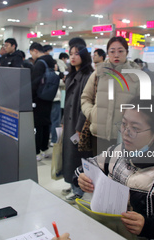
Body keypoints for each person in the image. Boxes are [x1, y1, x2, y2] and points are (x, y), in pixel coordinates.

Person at [75, 96, 154, 239]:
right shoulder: (117, 152)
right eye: (124, 124)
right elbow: (90, 165)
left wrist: (150, 226)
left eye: (135, 128)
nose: (126, 132)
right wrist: (82, 177)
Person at [81, 36, 141, 156]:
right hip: (99, 135)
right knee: (99, 171)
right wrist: (92, 114)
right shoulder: (98, 73)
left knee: (122, 172)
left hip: (125, 137)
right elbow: (85, 98)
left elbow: (146, 105)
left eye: (120, 51)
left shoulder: (137, 76)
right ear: (108, 53)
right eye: (112, 51)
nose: (116, 55)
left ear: (127, 52)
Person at [62, 44, 93, 203]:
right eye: (71, 54)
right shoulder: (72, 74)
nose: (73, 57)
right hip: (69, 121)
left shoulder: (88, 75)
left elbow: (86, 103)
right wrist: (62, 121)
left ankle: (79, 190)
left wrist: (79, 127)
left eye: (76, 54)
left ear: (83, 55)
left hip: (78, 122)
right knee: (69, 155)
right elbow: (66, 101)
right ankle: (72, 183)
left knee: (77, 156)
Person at [29, 42, 56, 161]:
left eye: (31, 53)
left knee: (38, 125)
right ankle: (44, 149)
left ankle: (37, 151)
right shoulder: (51, 62)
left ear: (35, 51)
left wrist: (31, 97)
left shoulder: (39, 63)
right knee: (46, 124)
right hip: (49, 97)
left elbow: (34, 83)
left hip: (39, 98)